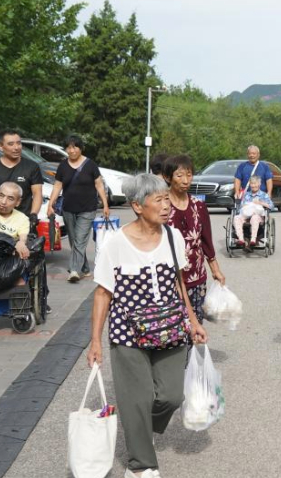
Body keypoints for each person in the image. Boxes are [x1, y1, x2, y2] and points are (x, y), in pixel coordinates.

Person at [87, 173, 208, 478]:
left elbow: (180, 283)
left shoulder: (173, 237)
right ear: (138, 206)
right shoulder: (115, 244)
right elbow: (102, 294)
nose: (167, 205)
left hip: (170, 329)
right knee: (136, 399)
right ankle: (141, 465)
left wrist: (193, 320)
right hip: (128, 334)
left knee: (171, 396)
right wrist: (96, 341)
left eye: (168, 198)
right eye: (159, 200)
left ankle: (140, 428)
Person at [164, 155, 225, 323]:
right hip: (168, 278)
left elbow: (206, 240)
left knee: (195, 322)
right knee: (172, 325)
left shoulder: (198, 206)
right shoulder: (161, 205)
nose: (185, 180)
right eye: (179, 175)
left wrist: (215, 270)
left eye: (189, 175)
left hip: (196, 276)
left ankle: (192, 350)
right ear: (167, 177)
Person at [47, 135, 109, 283]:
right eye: (68, 147)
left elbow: (99, 185)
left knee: (80, 240)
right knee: (75, 240)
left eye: (75, 147)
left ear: (81, 148)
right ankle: (85, 268)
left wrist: (105, 204)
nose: (72, 150)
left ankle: (74, 270)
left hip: (87, 208)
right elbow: (57, 185)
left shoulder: (91, 165)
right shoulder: (63, 166)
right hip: (68, 208)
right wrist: (51, 203)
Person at [0, 129, 43, 217]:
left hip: (22, 220)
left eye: (19, 143)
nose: (16, 147)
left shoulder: (32, 166)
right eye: (11, 144)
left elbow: (37, 193)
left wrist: (33, 215)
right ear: (1, 146)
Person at [234, 175, 274, 249]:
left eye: (255, 183)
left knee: (254, 217)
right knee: (236, 217)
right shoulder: (246, 195)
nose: (253, 185)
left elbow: (271, 206)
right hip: (246, 216)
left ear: (259, 184)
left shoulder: (264, 195)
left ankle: (253, 239)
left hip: (258, 217)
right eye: (252, 183)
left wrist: (260, 203)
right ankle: (241, 239)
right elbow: (240, 208)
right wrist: (245, 206)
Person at [0, 182, 31, 260]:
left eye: (10, 198)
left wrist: (21, 244)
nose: (3, 202)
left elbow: (23, 238)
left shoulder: (22, 219)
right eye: (1, 196)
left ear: (18, 202)